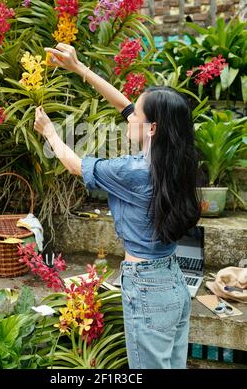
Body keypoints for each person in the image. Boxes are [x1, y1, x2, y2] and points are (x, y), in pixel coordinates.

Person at [34, 42, 201, 369]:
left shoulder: (133, 172)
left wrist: (50, 133)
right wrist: (79, 68)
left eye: (136, 114)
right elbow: (124, 104)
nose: (128, 116)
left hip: (147, 287)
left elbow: (75, 165)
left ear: (152, 128)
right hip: (173, 282)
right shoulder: (176, 160)